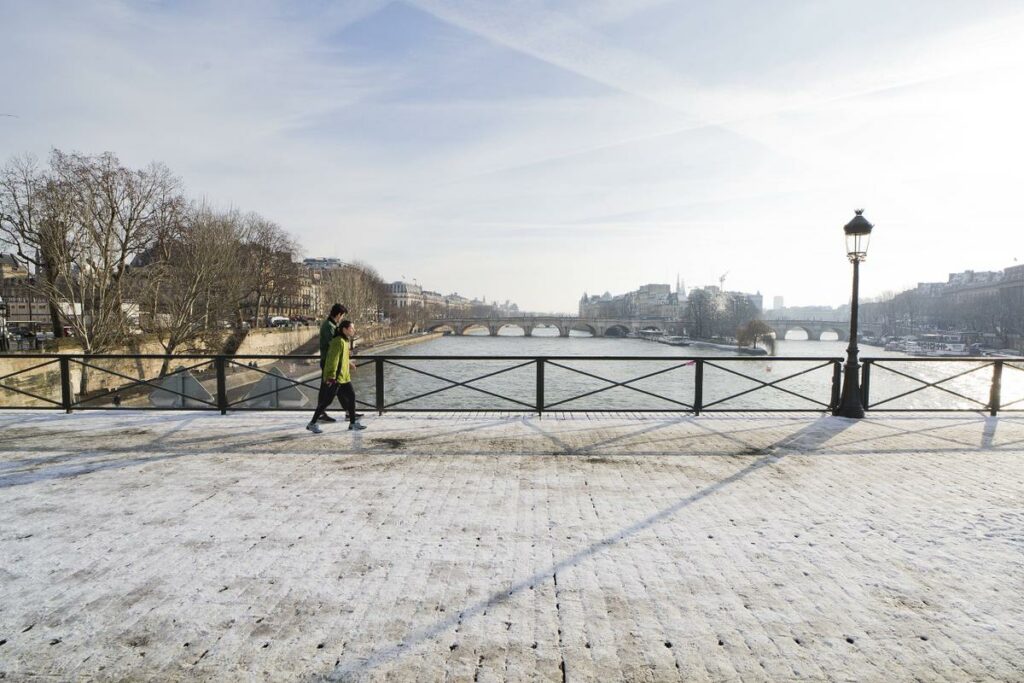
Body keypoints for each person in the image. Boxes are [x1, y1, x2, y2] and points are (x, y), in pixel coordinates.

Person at [307, 320, 365, 433]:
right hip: (337, 378)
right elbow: (332, 360)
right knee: (326, 402)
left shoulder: (344, 341)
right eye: (351, 328)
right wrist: (331, 377)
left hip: (344, 377)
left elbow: (342, 358)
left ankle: (352, 423)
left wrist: (349, 364)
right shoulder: (338, 341)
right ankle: (312, 423)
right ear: (344, 329)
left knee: (352, 396)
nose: (353, 330)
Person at [316, 303, 348, 423]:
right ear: (339, 314)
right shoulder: (329, 326)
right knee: (327, 388)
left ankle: (348, 411)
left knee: (338, 388)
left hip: (330, 362)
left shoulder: (330, 325)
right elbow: (333, 345)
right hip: (329, 363)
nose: (342, 318)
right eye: (342, 316)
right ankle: (320, 413)